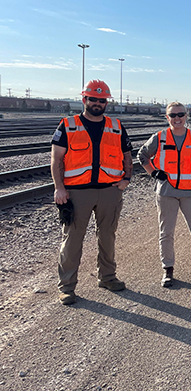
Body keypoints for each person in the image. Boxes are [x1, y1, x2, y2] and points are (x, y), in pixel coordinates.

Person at [51, 80, 133, 305]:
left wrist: (126, 178)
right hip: (77, 193)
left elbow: (127, 154)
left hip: (109, 191)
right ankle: (67, 287)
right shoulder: (68, 125)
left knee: (107, 236)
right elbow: (57, 159)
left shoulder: (116, 125)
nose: (97, 103)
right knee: (72, 240)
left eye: (102, 100)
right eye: (93, 99)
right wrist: (59, 188)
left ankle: (107, 277)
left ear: (106, 102)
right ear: (84, 99)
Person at [137, 102, 191, 287]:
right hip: (167, 192)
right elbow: (142, 155)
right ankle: (167, 269)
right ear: (167, 118)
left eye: (180, 114)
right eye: (173, 115)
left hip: (190, 192)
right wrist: (153, 172)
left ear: (186, 116)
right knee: (166, 232)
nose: (177, 118)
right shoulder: (159, 137)